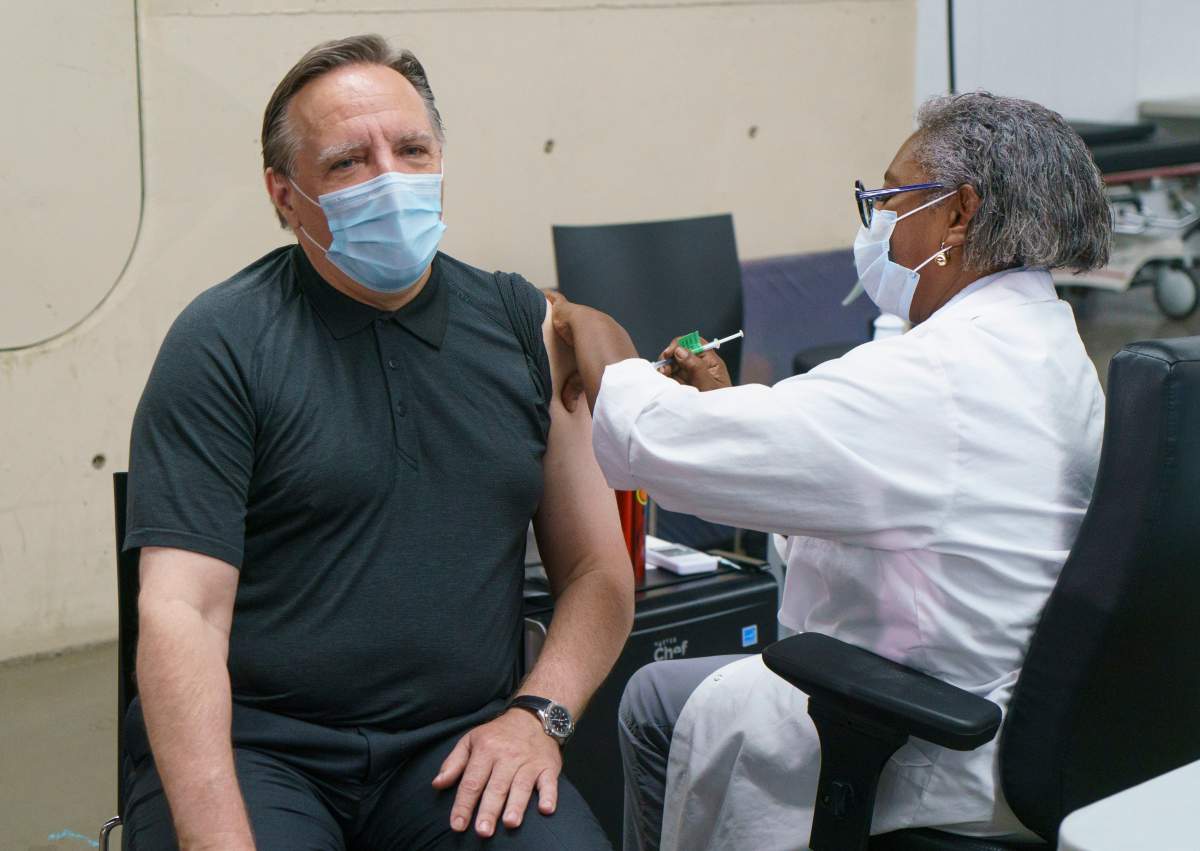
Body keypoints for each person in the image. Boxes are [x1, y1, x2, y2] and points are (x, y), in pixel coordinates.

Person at [547, 91, 1112, 849]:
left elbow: (653, 438)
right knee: (665, 693)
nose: (876, 222)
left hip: (915, 740)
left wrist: (596, 330)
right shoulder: (1042, 342)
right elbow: (870, 484)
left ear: (958, 213)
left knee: (656, 704)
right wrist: (733, 404)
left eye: (889, 197)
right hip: (1006, 712)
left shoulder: (940, 375)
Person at [123, 34, 632, 850]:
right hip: (262, 750)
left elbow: (598, 570)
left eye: (411, 148)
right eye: (348, 163)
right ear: (284, 195)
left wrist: (539, 715)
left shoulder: (522, 329)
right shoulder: (222, 341)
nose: (390, 179)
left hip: (458, 745)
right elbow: (183, 609)